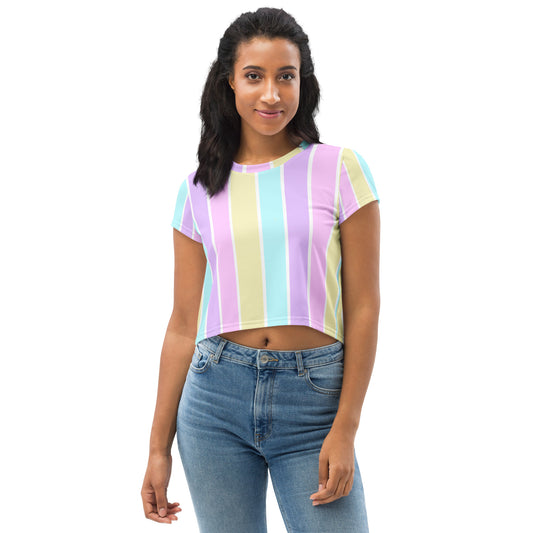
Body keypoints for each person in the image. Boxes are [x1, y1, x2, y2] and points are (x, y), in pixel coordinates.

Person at [141, 7, 381, 532]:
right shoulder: (198, 189)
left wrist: (345, 428)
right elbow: (182, 324)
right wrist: (158, 448)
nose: (271, 94)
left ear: (302, 82)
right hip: (214, 401)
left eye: (285, 76)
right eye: (254, 76)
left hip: (314, 403)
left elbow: (364, 306)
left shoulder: (340, 169)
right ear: (230, 82)